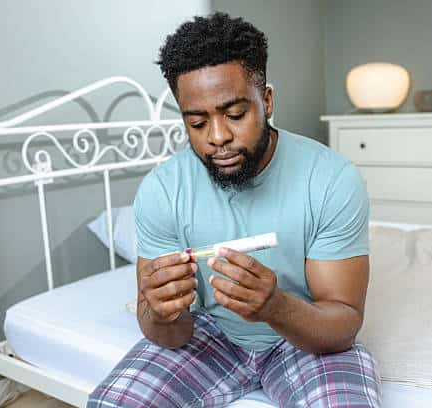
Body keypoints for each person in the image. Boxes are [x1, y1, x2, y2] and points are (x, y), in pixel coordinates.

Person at [88, 12, 380, 408]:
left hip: (303, 331)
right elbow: (168, 334)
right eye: (197, 122)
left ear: (267, 101)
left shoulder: (331, 179)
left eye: (235, 115)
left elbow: (342, 325)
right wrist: (160, 315)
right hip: (208, 333)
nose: (218, 137)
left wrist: (275, 307)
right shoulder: (162, 190)